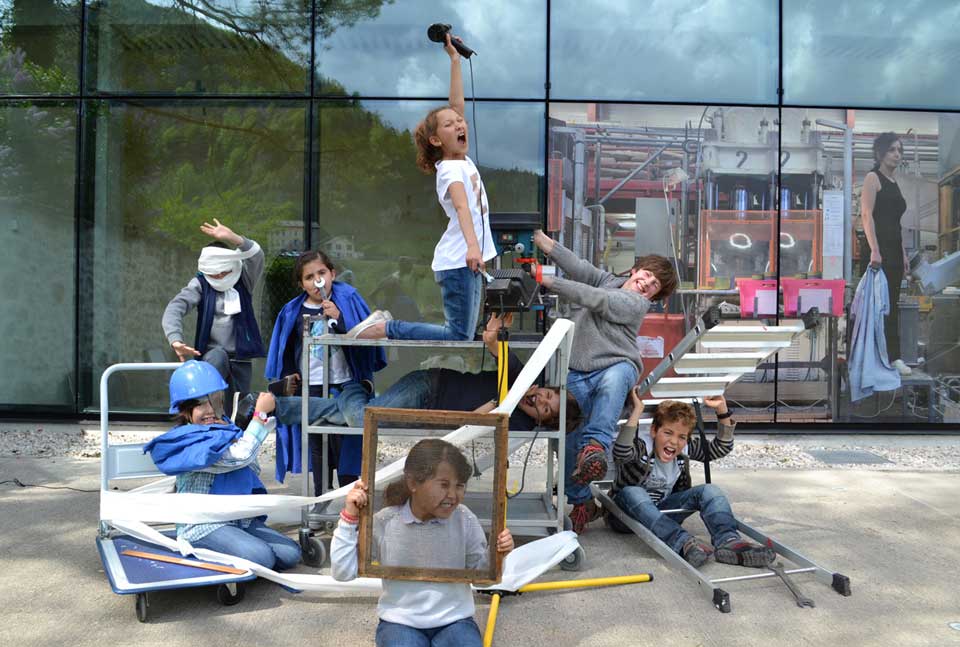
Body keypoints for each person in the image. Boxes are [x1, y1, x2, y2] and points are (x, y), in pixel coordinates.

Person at [348, 33, 496, 342]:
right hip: (460, 261)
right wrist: (473, 246)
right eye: (449, 125)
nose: (459, 124)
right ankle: (387, 327)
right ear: (435, 140)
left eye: (460, 122)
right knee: (459, 336)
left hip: (465, 261)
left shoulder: (460, 158)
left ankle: (389, 326)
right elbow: (461, 207)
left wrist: (455, 60)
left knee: (463, 336)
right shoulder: (451, 169)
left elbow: (456, 105)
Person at [528, 229, 678, 533]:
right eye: (646, 275)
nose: (646, 284)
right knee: (568, 437)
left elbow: (595, 299)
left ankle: (595, 446)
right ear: (635, 270)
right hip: (577, 371)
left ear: (652, 296)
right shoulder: (608, 280)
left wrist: (551, 281)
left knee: (614, 380)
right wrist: (549, 245)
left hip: (615, 365)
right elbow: (580, 267)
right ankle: (583, 501)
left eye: (653, 286)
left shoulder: (635, 303)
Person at [332, 439, 514, 647]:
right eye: (444, 485)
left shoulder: (465, 519)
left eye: (459, 486)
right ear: (413, 483)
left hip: (455, 621)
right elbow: (342, 571)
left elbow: (484, 579)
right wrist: (349, 518)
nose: (453, 495)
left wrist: (497, 555)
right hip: (399, 623)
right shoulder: (385, 522)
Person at [272, 314, 580, 435]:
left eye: (546, 408)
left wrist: (487, 415)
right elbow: (492, 344)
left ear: (543, 421)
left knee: (338, 416)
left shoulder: (522, 425)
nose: (539, 398)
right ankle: (357, 385)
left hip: (430, 417)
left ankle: (272, 409)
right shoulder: (521, 380)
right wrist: (494, 332)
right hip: (429, 388)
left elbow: (475, 424)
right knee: (361, 418)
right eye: (548, 394)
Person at [143, 360, 301, 570]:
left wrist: (240, 428)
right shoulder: (187, 441)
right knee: (262, 558)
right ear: (184, 410)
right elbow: (239, 457)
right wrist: (259, 417)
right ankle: (204, 548)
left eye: (214, 401)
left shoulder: (225, 429)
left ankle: (239, 546)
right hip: (203, 524)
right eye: (200, 403)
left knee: (290, 554)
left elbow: (251, 468)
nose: (209, 410)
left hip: (238, 518)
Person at [607, 390, 774, 568]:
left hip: (665, 513)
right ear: (654, 431)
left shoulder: (684, 449)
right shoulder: (642, 446)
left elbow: (720, 448)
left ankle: (729, 541)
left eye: (681, 437)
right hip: (625, 517)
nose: (674, 442)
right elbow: (621, 452)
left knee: (711, 490)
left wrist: (722, 411)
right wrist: (637, 410)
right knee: (633, 492)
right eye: (668, 433)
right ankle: (682, 542)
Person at [264, 250, 386, 491]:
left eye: (321, 273)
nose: (316, 280)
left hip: (345, 384)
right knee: (317, 442)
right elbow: (286, 346)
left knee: (346, 440)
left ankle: (349, 496)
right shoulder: (294, 311)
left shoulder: (348, 299)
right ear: (301, 284)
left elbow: (363, 333)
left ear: (332, 273)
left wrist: (339, 318)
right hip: (313, 384)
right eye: (309, 277)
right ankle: (320, 497)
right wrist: (289, 372)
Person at [162, 219, 266, 415]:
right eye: (214, 274)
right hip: (212, 355)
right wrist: (175, 339)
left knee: (240, 409)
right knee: (214, 377)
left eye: (223, 273)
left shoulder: (244, 279)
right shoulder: (201, 284)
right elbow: (175, 307)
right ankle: (209, 417)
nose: (219, 278)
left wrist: (233, 238)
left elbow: (257, 255)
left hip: (241, 358)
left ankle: (236, 438)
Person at [860, 132, 911, 376]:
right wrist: (875, 250)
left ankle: (893, 358)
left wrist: (902, 254)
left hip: (893, 251)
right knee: (875, 307)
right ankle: (873, 358)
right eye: (892, 149)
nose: (897, 154)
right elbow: (866, 215)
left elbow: (895, 224)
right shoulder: (873, 178)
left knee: (892, 306)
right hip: (878, 253)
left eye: (899, 150)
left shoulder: (894, 183)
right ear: (880, 153)